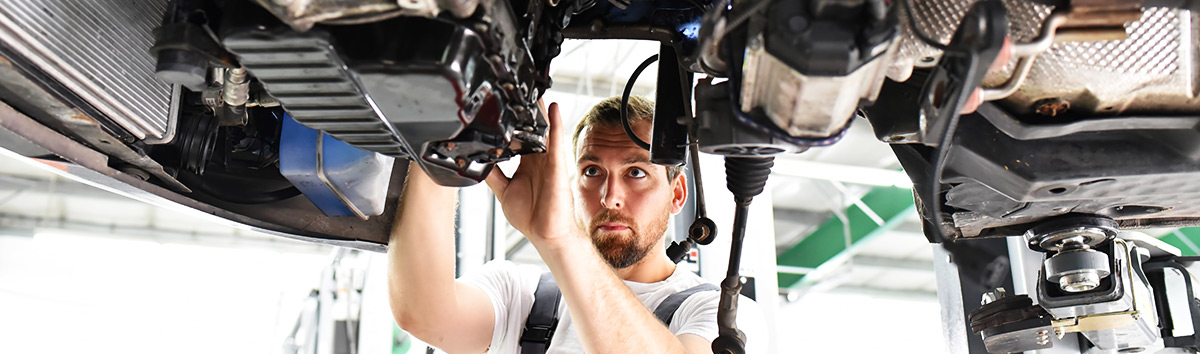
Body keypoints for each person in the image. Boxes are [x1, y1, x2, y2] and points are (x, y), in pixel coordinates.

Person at [387, 96, 766, 353]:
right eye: (592, 171)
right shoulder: (522, 295)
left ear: (677, 194)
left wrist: (562, 239)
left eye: (635, 172)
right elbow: (422, 313)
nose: (609, 196)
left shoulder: (720, 315)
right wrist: (447, 151)